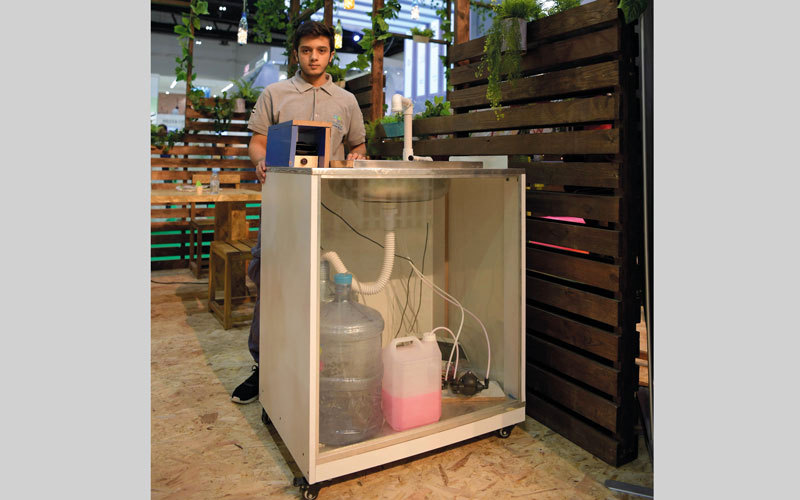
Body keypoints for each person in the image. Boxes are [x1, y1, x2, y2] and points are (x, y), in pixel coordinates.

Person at [231, 20, 367, 404]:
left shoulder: (346, 101)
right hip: (282, 206)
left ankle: (325, 362)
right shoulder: (275, 94)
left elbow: (358, 145)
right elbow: (257, 142)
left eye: (321, 50)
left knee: (330, 281)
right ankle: (265, 366)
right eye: (307, 50)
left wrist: (357, 158)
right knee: (272, 281)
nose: (314, 57)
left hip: (331, 208)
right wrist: (260, 161)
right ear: (296, 54)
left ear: (330, 55)